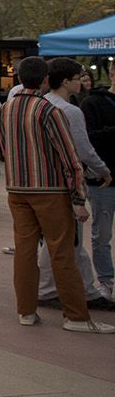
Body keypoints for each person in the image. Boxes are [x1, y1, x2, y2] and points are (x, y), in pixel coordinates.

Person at [0, 57, 113, 332]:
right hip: (49, 189)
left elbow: (1, 149)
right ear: (45, 80)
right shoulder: (48, 111)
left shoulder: (3, 110)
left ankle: (26, 311)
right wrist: (78, 197)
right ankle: (76, 316)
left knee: (25, 252)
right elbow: (69, 157)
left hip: (17, 189)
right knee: (62, 252)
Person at [42, 57, 113, 306]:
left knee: (55, 239)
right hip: (66, 181)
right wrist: (103, 170)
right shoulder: (69, 111)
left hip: (40, 181)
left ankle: (54, 288)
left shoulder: (39, 104)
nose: (81, 83)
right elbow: (83, 149)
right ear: (65, 81)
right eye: (77, 78)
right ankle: (68, 291)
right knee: (70, 238)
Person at [79, 76, 115, 298]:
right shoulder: (93, 103)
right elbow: (88, 139)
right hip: (103, 181)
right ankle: (106, 281)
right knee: (102, 234)